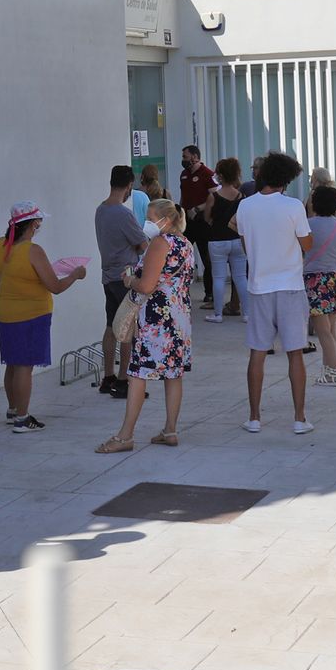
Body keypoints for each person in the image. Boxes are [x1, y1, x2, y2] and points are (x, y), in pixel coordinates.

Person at [0, 201, 85, 432]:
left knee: (12, 363)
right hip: (32, 315)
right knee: (25, 366)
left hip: (6, 312)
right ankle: (22, 419)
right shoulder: (33, 251)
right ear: (34, 224)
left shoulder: (1, 246)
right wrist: (75, 275)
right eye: (39, 223)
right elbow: (55, 286)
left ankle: (13, 409)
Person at [96, 200, 193, 453]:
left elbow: (148, 286)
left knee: (138, 374)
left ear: (166, 220)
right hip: (179, 318)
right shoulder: (185, 244)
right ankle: (170, 430)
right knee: (173, 374)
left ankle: (125, 436)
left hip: (156, 320)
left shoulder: (160, 243)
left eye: (150, 217)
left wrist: (129, 280)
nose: (146, 223)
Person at [231, 151, 314, 435]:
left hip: (259, 285)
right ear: (286, 179)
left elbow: (245, 246)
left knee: (257, 353)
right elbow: (307, 244)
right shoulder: (293, 207)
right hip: (290, 285)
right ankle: (299, 418)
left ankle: (254, 417)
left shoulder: (245, 207)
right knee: (295, 354)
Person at [95, 168, 148, 397]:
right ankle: (123, 380)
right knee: (128, 328)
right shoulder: (123, 213)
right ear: (129, 185)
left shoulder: (101, 210)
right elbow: (142, 244)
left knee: (110, 326)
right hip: (125, 278)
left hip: (108, 276)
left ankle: (108, 376)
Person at [304, 187, 336, 387]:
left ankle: (333, 373)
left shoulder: (309, 225)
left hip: (315, 280)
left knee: (322, 330)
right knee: (330, 329)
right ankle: (329, 369)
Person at [202, 157, 248, 323]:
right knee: (241, 277)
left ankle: (218, 314)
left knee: (219, 277)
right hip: (237, 239)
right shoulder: (242, 197)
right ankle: (247, 313)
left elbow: (207, 217)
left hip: (217, 240)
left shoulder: (213, 196)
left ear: (220, 175)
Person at [179, 145, 219, 310]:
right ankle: (182, 291)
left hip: (202, 222)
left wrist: (199, 208)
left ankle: (209, 292)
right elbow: (183, 196)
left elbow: (215, 195)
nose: (183, 160)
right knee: (181, 256)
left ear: (195, 157)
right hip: (187, 222)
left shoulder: (207, 174)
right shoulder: (184, 174)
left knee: (206, 258)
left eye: (185, 156)